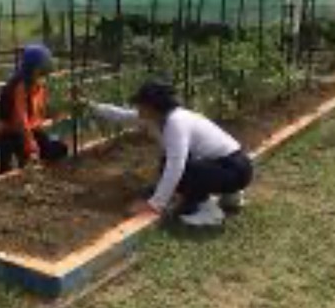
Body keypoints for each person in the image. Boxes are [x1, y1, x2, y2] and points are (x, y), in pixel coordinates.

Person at [84, 78, 253, 227]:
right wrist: (89, 106)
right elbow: (121, 115)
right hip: (236, 166)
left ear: (152, 105)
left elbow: (175, 166)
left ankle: (210, 213)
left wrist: (155, 205)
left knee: (171, 166)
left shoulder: (176, 122)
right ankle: (231, 195)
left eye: (140, 104)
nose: (137, 108)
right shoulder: (160, 117)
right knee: (181, 164)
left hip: (234, 171)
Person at [0, 44, 68, 173]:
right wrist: (29, 142)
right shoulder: (20, 86)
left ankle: (26, 161)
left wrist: (59, 111)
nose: (45, 71)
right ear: (33, 67)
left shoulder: (38, 85)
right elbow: (20, 120)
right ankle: (7, 170)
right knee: (18, 162)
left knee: (58, 150)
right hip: (10, 132)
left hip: (31, 128)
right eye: (42, 67)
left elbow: (39, 110)